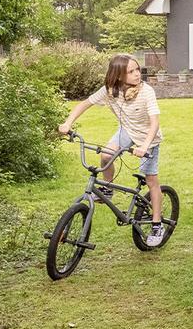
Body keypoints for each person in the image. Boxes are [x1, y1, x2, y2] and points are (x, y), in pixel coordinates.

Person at [57, 55, 165, 244]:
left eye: (137, 69)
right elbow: (84, 104)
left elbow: (154, 122)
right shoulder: (110, 90)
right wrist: (67, 123)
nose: (137, 74)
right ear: (119, 75)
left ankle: (157, 224)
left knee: (151, 181)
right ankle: (107, 189)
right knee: (106, 155)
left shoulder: (146, 91)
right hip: (127, 131)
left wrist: (144, 146)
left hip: (148, 138)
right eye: (131, 71)